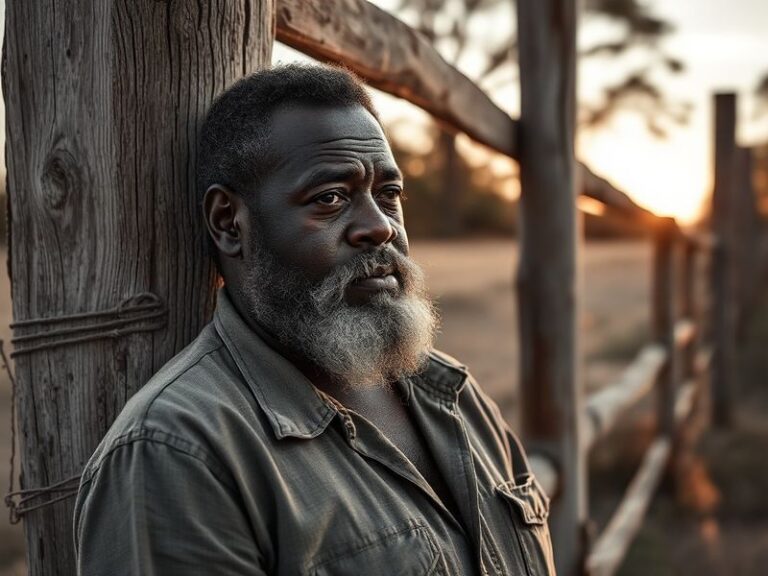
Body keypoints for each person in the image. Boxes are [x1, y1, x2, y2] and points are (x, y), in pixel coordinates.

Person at [73, 63, 555, 576]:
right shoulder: (178, 456)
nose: (380, 228)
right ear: (229, 222)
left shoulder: (453, 392)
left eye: (389, 195)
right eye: (330, 198)